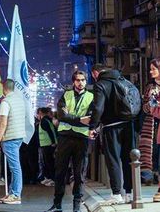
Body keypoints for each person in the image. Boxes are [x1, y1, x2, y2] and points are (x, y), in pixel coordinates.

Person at [44, 70, 93, 212]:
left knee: (79, 174)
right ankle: (57, 205)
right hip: (65, 137)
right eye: (78, 80)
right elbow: (61, 116)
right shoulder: (66, 95)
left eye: (83, 80)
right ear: (73, 82)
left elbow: (90, 118)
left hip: (81, 139)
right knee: (60, 172)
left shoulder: (91, 97)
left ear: (86, 81)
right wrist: (79, 120)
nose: (80, 82)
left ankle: (76, 206)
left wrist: (70, 117)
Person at [90, 63, 136, 205]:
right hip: (129, 125)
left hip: (111, 127)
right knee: (130, 159)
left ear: (95, 73)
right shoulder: (125, 81)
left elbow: (98, 108)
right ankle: (129, 193)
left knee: (113, 160)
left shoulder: (100, 84)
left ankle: (116, 194)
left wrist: (93, 126)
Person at [0, 79, 25, 205]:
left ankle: (15, 195)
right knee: (15, 167)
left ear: (4, 87)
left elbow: (3, 123)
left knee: (15, 167)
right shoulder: (19, 100)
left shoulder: (5, 102)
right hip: (19, 136)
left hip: (9, 137)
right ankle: (12, 193)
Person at [146, 59, 160, 203]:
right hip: (156, 125)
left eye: (153, 69)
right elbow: (151, 107)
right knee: (157, 157)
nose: (151, 72)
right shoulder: (152, 88)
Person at [38, 107, 57, 186]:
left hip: (48, 144)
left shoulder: (44, 121)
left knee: (49, 162)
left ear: (41, 113)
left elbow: (50, 132)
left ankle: (52, 179)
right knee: (47, 162)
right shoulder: (47, 120)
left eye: (39, 112)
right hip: (47, 144)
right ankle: (48, 178)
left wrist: (53, 142)